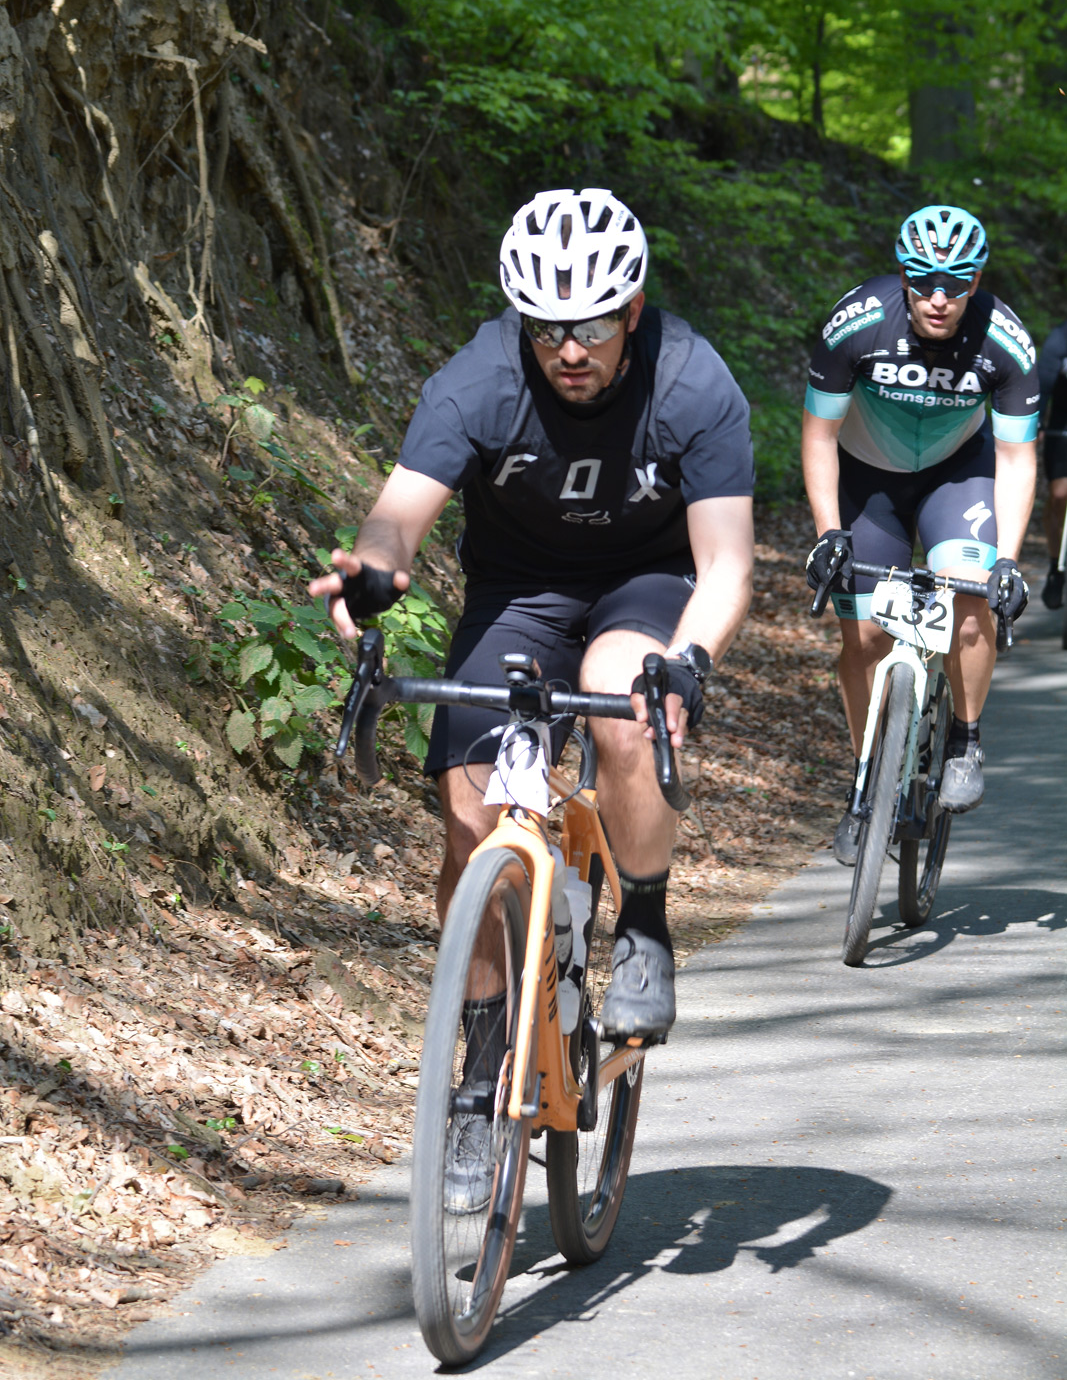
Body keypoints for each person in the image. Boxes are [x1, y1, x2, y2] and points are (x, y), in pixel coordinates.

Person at [311, 188, 754, 1044]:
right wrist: (371, 574)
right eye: (545, 329)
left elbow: (727, 563)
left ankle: (643, 928)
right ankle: (478, 1072)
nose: (568, 351)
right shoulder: (478, 379)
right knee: (470, 828)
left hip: (648, 584)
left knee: (623, 704)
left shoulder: (693, 382)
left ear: (631, 310)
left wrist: (690, 659)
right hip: (517, 597)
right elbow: (396, 520)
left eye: (590, 327)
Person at [802, 205, 1038, 865]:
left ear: (976, 279)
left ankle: (964, 737)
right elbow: (817, 433)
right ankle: (863, 783)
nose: (938, 299)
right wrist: (827, 531)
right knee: (866, 637)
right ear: (901, 275)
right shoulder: (857, 323)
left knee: (969, 608)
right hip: (865, 483)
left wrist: (1009, 561)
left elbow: (1017, 458)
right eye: (923, 282)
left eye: (956, 285)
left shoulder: (1004, 339)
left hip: (956, 479)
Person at [1036, 319, 1067, 609]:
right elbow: (1043, 384)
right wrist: (1035, 422)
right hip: (1062, 429)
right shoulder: (1060, 337)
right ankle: (1056, 568)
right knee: (1060, 497)